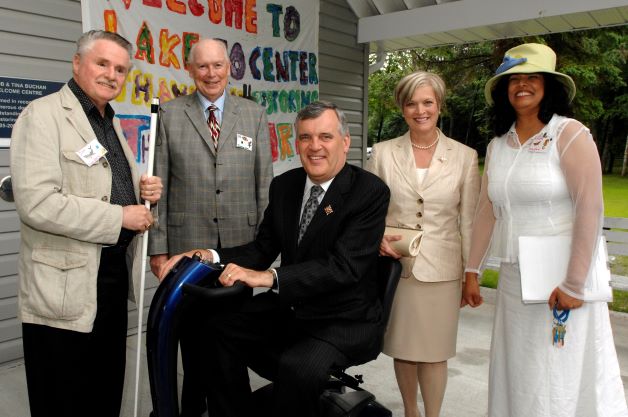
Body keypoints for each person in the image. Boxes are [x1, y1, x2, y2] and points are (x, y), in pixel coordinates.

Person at [159, 101, 390, 417]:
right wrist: (207, 255)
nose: (314, 147)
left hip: (344, 319)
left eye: (325, 137)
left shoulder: (369, 191)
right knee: (212, 328)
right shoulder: (285, 185)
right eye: (305, 138)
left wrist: (270, 277)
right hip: (293, 311)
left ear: (345, 142)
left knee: (298, 368)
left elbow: (343, 268)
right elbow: (261, 249)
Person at [462, 43, 628, 416]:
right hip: (513, 279)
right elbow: (487, 211)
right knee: (519, 372)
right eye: (513, 79)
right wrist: (472, 269)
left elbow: (590, 207)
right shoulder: (499, 145)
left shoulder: (569, 133)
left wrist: (574, 283)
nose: (522, 85)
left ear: (548, 85)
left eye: (531, 77)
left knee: (559, 373)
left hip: (561, 281)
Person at [10, 30, 163, 417]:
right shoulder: (42, 115)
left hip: (109, 277)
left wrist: (140, 192)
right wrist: (120, 215)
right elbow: (37, 204)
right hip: (64, 282)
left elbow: (102, 185)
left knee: (104, 387)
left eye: (121, 69)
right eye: (102, 63)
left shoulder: (108, 121)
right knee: (64, 395)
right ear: (77, 63)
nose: (112, 74)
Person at [148, 37, 273, 416]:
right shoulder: (170, 115)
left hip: (241, 245)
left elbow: (263, 185)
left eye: (218, 65)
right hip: (188, 248)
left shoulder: (253, 115)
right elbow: (160, 188)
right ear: (190, 70)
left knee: (228, 336)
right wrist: (158, 250)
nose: (211, 73)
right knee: (189, 334)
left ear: (230, 68)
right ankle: (190, 408)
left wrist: (269, 247)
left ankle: (226, 407)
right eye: (202, 66)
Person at [367, 71, 480, 417]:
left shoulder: (464, 156)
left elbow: (469, 222)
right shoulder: (383, 154)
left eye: (427, 102)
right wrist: (379, 240)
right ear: (402, 108)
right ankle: (410, 411)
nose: (420, 110)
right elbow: (368, 212)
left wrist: (470, 274)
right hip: (397, 269)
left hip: (442, 271)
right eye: (412, 103)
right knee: (404, 347)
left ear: (439, 105)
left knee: (434, 351)